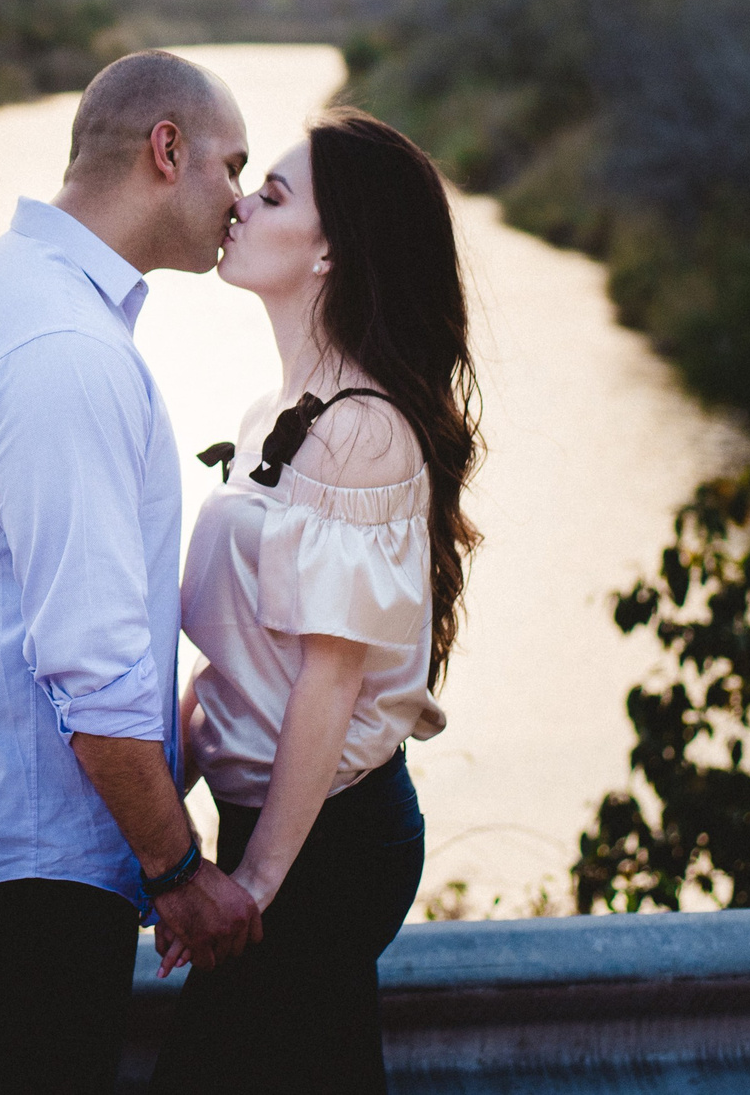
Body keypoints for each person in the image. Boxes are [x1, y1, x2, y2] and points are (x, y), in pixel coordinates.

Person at [0, 50, 266, 1095]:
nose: (238, 200)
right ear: (166, 149)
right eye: (229, 166)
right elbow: (87, 663)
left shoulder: (18, 292)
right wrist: (178, 869)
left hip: (14, 853)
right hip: (38, 874)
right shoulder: (61, 346)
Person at [150, 107, 482, 1094]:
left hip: (324, 838)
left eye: (274, 193)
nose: (240, 202)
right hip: (266, 819)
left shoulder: (360, 431)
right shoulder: (279, 413)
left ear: (331, 250)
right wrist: (170, 809)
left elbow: (327, 683)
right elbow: (241, 654)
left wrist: (253, 884)